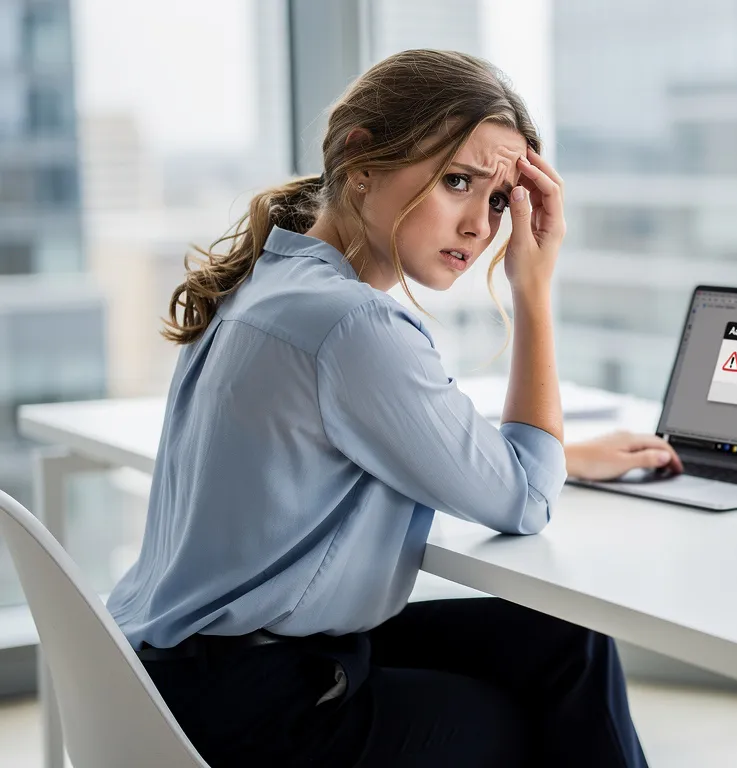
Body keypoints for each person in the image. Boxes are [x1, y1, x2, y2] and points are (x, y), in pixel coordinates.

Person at [105, 49, 681, 767]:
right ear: (363, 159)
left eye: (499, 202)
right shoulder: (354, 326)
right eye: (458, 182)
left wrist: (556, 456)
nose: (479, 225)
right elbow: (526, 502)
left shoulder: (268, 282)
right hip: (253, 708)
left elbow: (393, 430)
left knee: (564, 642)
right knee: (533, 720)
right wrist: (533, 292)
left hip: (170, 672)